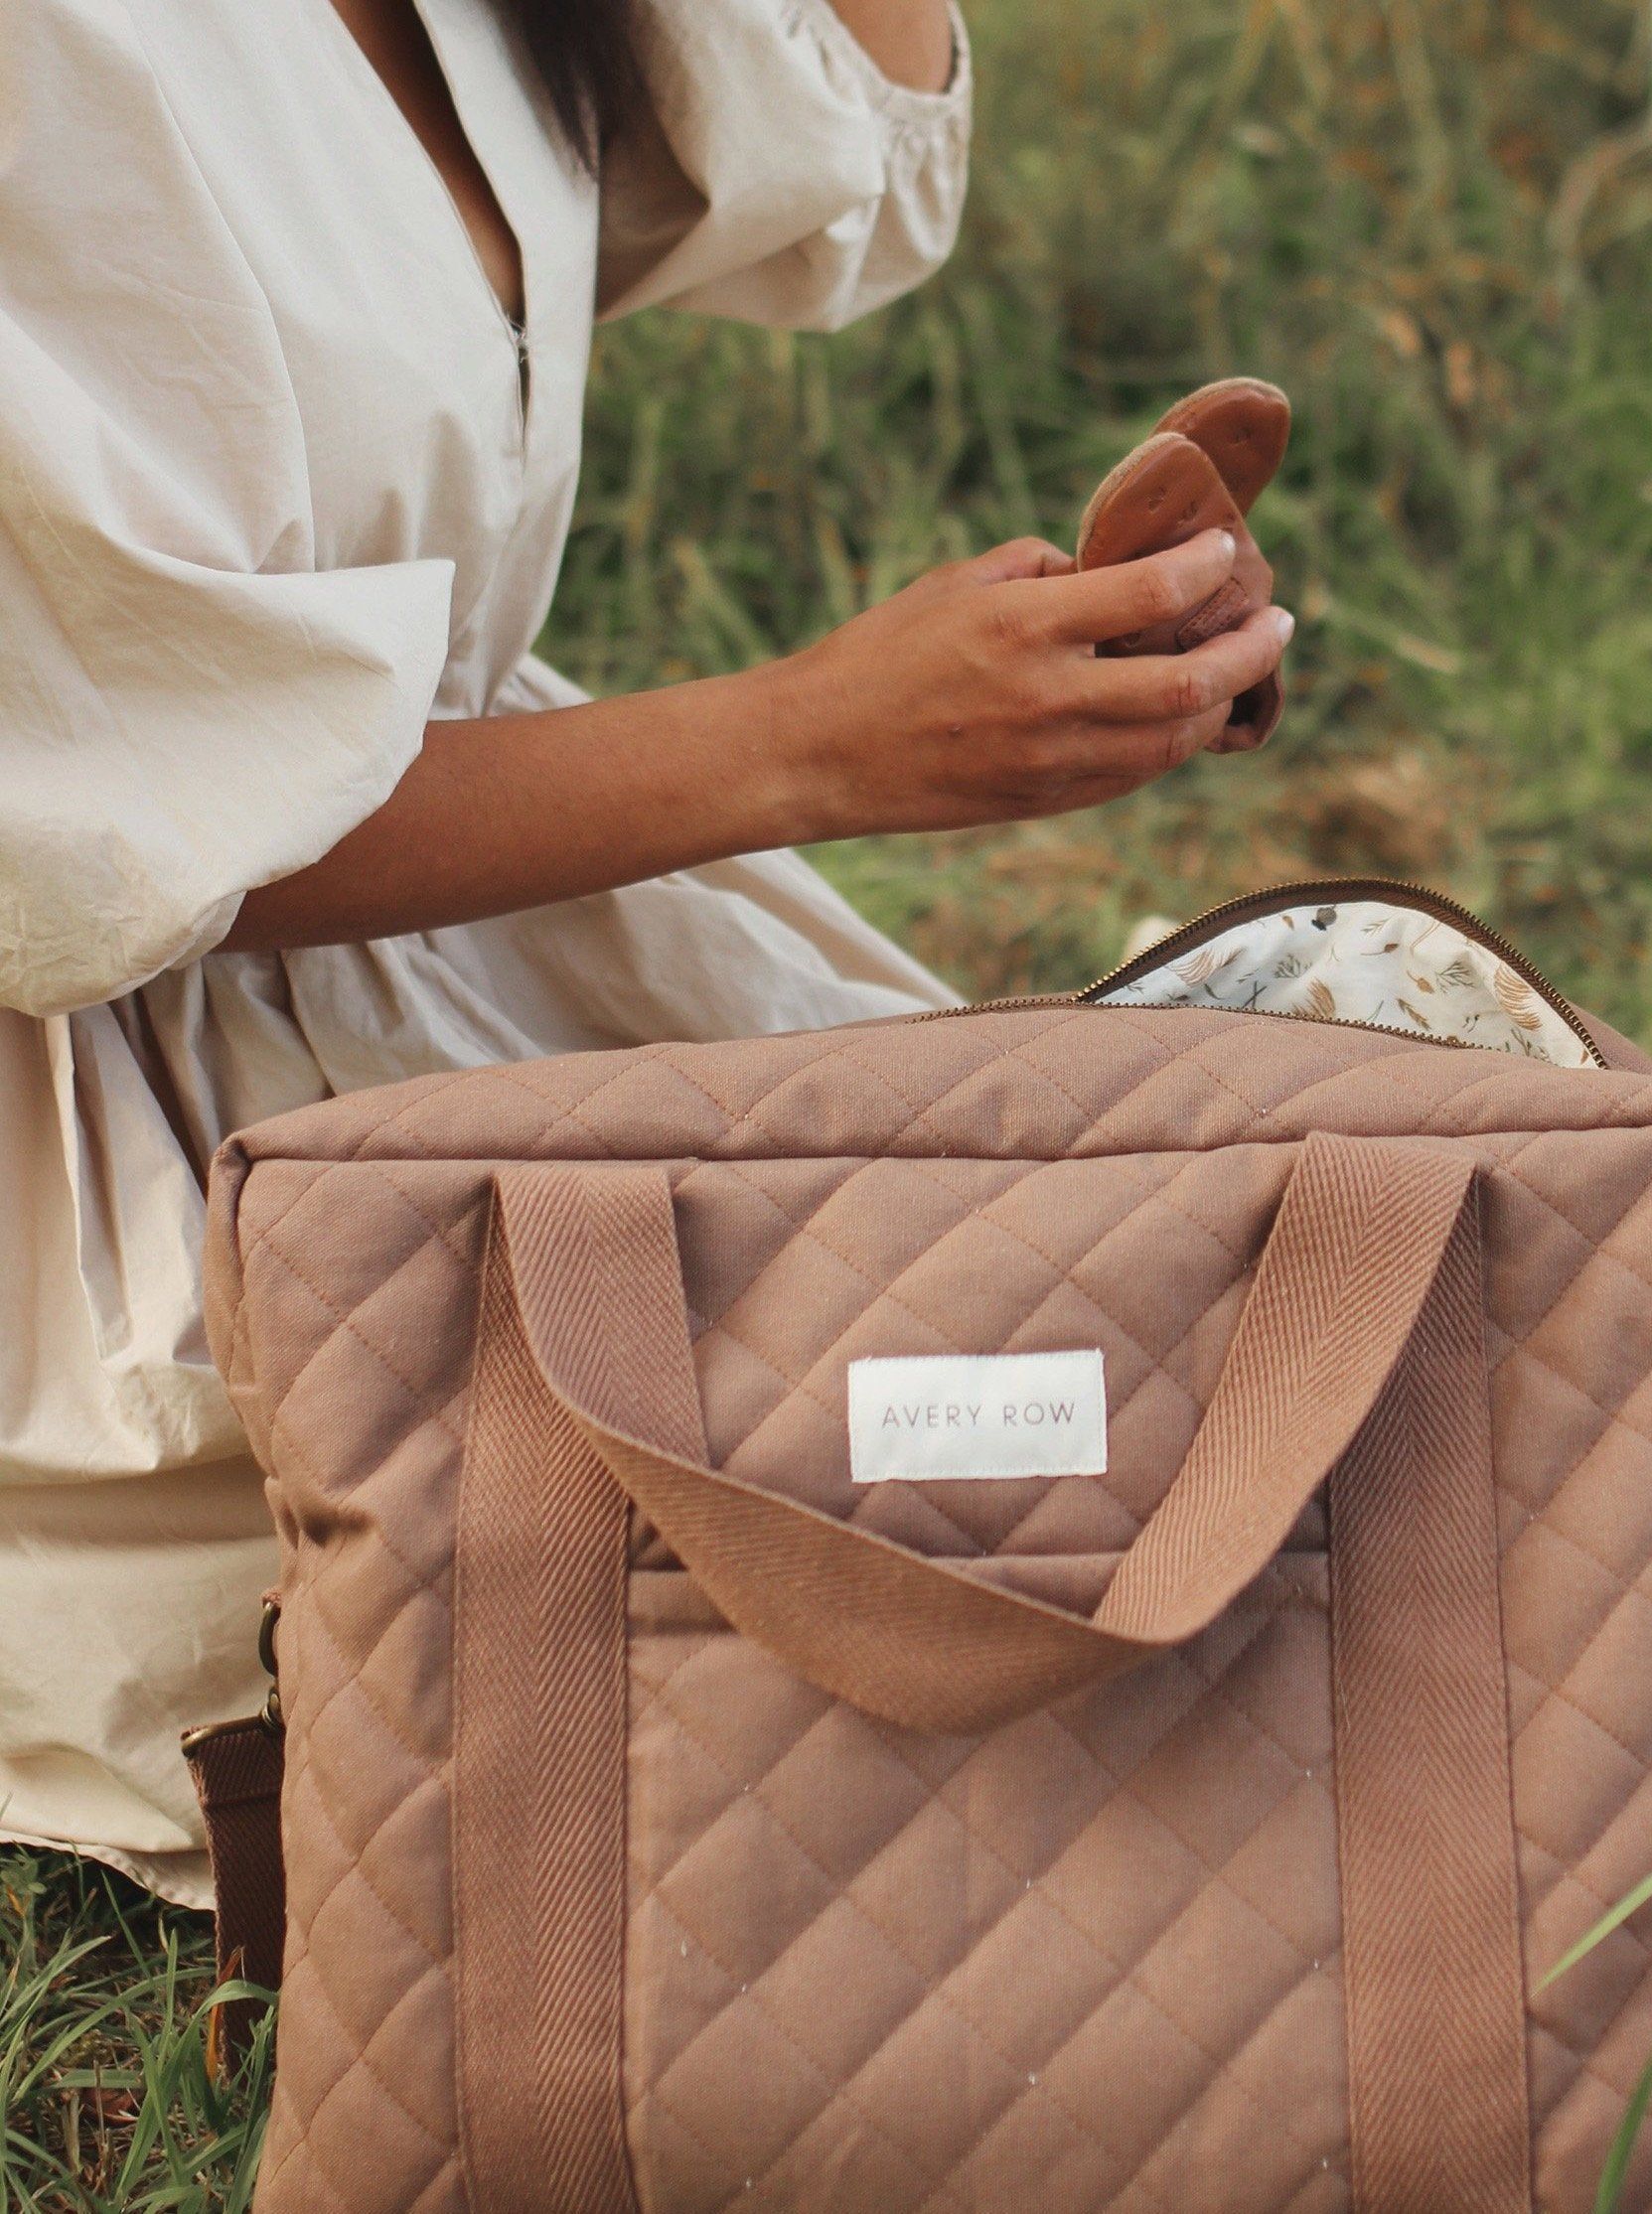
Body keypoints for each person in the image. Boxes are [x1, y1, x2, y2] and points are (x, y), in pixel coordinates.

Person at [0, 0, 1292, 1904]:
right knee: (885, 1519)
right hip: (112, 1145)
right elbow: (100, 811)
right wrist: (820, 739)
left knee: (1130, 1333)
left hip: (478, 935)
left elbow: (832, 178)